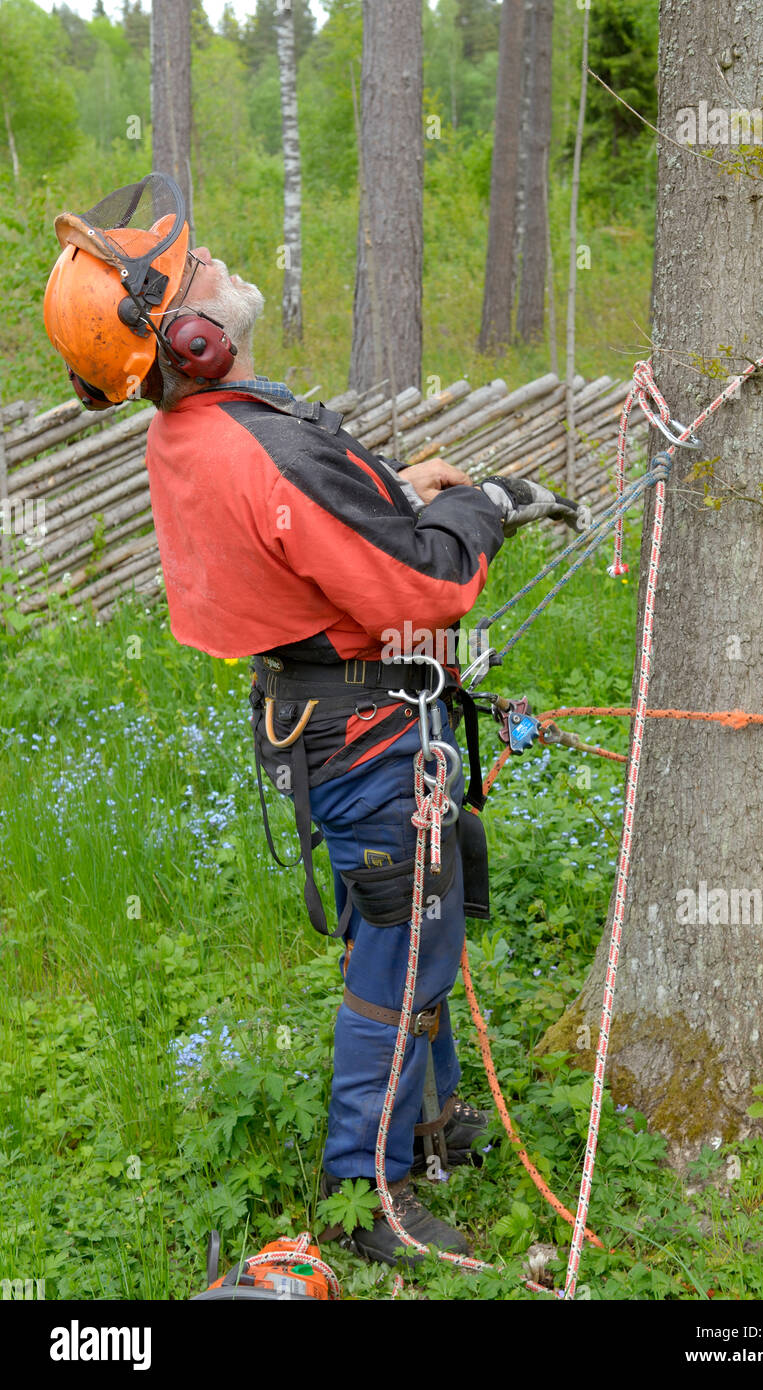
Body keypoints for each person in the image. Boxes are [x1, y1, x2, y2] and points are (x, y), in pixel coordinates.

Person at [43, 174, 582, 1266]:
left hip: (336, 716)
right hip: (363, 732)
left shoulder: (204, 429)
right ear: (189, 336)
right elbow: (428, 581)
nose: (220, 268)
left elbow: (308, 519)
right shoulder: (256, 448)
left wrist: (389, 481)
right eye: (201, 272)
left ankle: (429, 1127)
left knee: (425, 920)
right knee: (397, 947)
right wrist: (489, 503)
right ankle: (368, 1188)